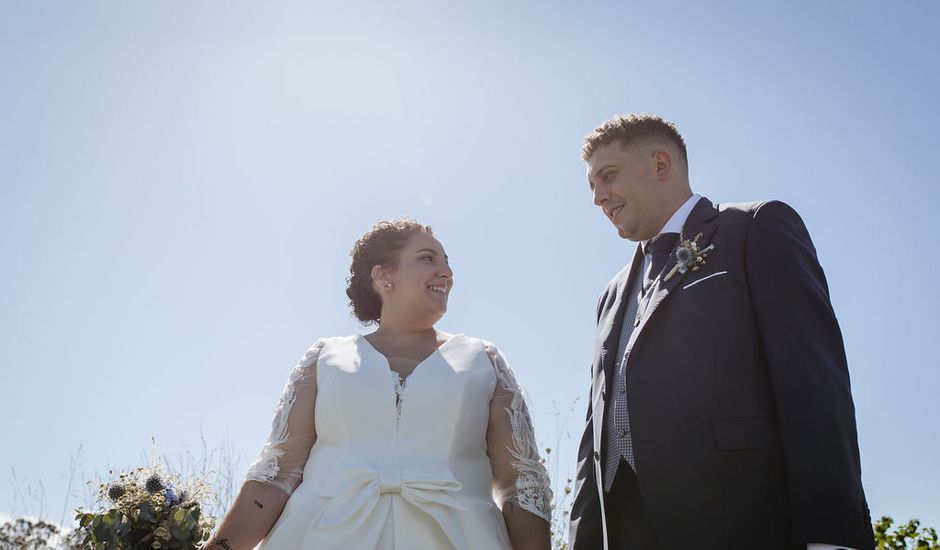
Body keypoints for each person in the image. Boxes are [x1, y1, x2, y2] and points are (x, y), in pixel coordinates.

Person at [568, 114, 873, 550]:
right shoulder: (611, 294)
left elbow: (814, 388)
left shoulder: (755, 228)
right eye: (591, 187)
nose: (598, 197)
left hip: (740, 521)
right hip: (623, 531)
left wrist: (831, 535)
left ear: (660, 164)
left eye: (608, 176)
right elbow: (593, 437)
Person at [205, 219, 551, 550]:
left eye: (447, 262)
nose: (446, 272)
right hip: (320, 536)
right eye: (428, 258)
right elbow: (276, 475)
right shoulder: (325, 358)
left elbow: (521, 484)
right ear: (384, 276)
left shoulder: (484, 360)